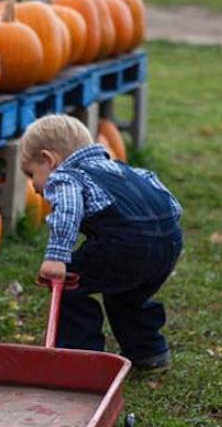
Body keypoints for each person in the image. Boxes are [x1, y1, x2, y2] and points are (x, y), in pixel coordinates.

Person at [20, 114, 183, 370]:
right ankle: (149, 352)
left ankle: (81, 358)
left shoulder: (66, 176)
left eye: (32, 174)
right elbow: (168, 201)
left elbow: (69, 209)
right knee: (127, 294)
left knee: (68, 284)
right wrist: (157, 234)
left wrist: (57, 256)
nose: (34, 187)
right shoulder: (124, 169)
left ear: (48, 159)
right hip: (168, 242)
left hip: (124, 243)